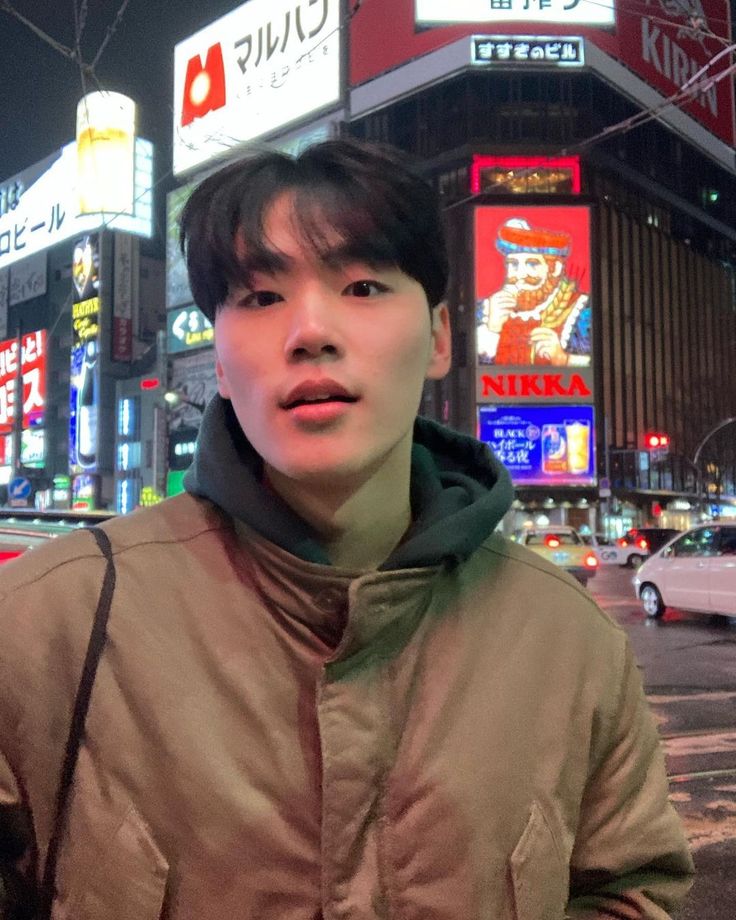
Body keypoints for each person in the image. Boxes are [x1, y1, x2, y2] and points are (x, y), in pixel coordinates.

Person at [0, 138, 692, 919]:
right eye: (261, 297)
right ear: (220, 365)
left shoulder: (571, 643)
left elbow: (628, 889)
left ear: (438, 338)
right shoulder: (42, 632)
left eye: (362, 286)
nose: (311, 331)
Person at [476, 217, 592, 366]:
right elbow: (467, 369)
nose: (520, 275)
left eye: (532, 264)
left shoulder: (581, 310)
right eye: (513, 264)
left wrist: (564, 359)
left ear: (555, 269)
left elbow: (602, 365)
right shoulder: (484, 310)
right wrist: (491, 330)